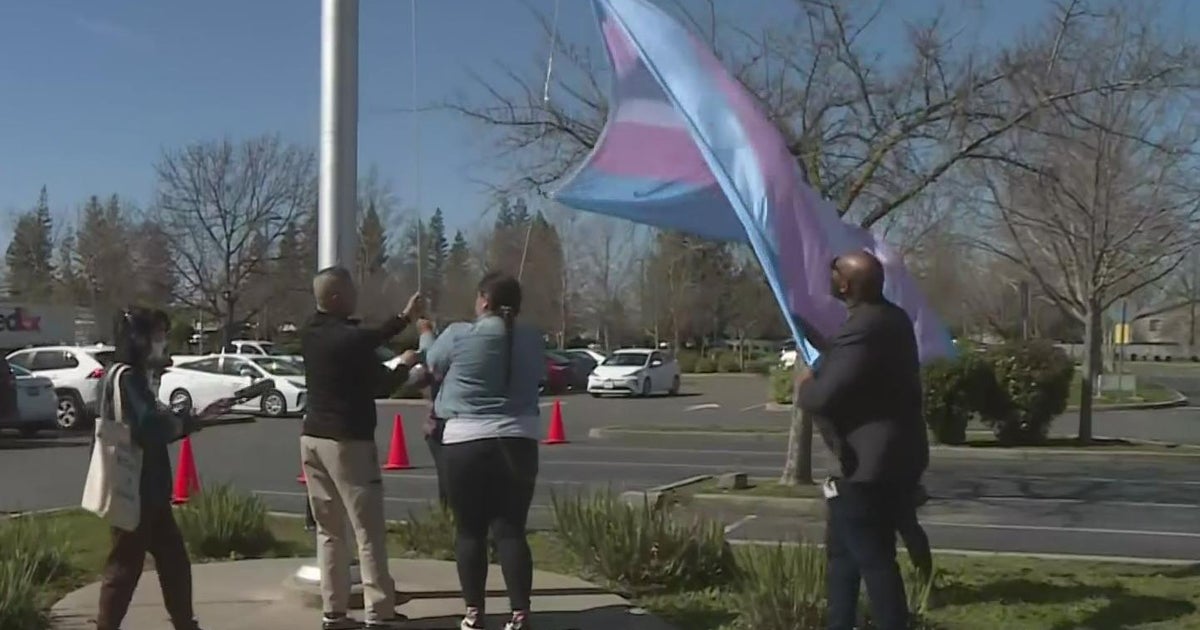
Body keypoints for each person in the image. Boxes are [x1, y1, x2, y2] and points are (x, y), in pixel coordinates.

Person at [796, 251, 929, 630]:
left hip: (868, 468)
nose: (828, 275)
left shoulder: (865, 327)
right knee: (842, 556)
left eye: (834, 271)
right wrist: (820, 344)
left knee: (874, 558)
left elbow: (822, 397)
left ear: (845, 285)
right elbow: (857, 367)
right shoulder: (890, 318)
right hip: (889, 460)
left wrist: (804, 383)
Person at [300, 266, 424, 630]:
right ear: (337, 297)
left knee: (329, 531)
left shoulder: (311, 332)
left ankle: (334, 612)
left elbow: (364, 344)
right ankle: (380, 611)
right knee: (366, 529)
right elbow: (380, 378)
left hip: (312, 439)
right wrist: (405, 360)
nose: (356, 297)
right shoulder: (347, 340)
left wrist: (399, 324)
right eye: (351, 291)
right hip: (347, 442)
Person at [96, 307, 232, 630]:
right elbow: (148, 426)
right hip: (136, 489)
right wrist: (185, 423)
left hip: (150, 490)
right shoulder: (126, 376)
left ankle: (185, 623)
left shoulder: (132, 376)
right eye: (156, 335)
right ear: (137, 339)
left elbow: (152, 419)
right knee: (125, 567)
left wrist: (189, 419)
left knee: (173, 562)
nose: (162, 342)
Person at [424, 272, 544, 630]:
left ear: (484, 301)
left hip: (465, 439)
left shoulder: (460, 334)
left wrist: (425, 330)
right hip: (519, 437)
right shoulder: (531, 338)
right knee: (511, 530)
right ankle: (520, 612)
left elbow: (432, 362)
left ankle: (474, 612)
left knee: (470, 530)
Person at [416, 318, 449, 507]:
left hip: (443, 423)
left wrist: (426, 332)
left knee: (447, 477)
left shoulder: (439, 360)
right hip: (440, 424)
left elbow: (430, 357)